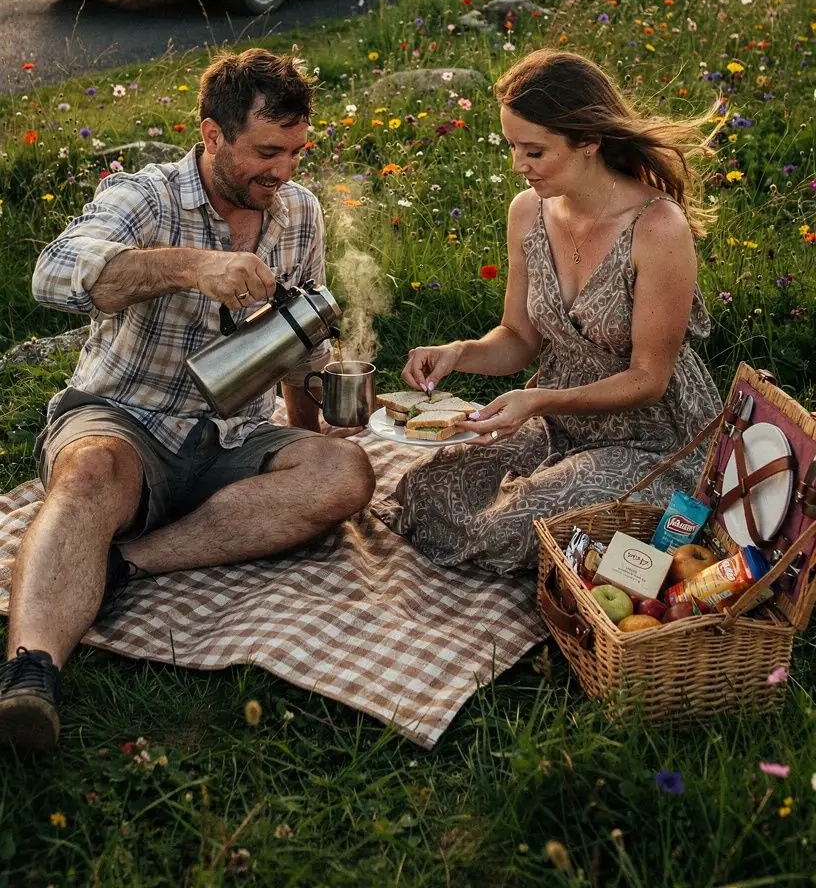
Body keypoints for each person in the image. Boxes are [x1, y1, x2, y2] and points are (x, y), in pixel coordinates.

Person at [0, 49, 375, 753]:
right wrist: (191, 267)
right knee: (89, 475)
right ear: (211, 135)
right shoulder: (150, 196)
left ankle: (123, 562)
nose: (284, 171)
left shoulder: (298, 213)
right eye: (267, 151)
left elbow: (300, 350)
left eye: (296, 151)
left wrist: (319, 430)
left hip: (234, 437)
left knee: (346, 474)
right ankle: (30, 676)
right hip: (125, 419)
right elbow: (53, 274)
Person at [393, 49, 722, 576]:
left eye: (534, 151)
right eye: (512, 147)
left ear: (588, 141)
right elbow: (518, 339)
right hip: (560, 425)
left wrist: (541, 399)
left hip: (649, 439)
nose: (518, 165)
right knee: (425, 484)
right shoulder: (527, 212)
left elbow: (649, 379)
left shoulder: (657, 227)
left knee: (511, 525)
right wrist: (458, 354)